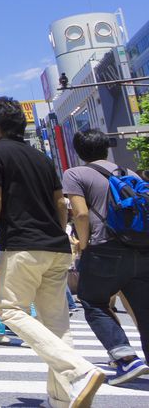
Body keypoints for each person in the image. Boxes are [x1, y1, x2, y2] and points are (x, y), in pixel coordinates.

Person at [0, 96, 106, 408]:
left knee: (10, 310)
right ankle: (62, 399)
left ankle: (79, 370)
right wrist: (59, 233)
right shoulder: (41, 158)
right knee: (56, 324)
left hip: (23, 245)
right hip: (56, 246)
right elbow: (60, 203)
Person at [62, 127, 149, 384]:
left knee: (93, 301)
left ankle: (125, 358)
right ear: (106, 148)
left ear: (79, 151)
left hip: (104, 248)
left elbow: (80, 214)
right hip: (140, 248)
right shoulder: (128, 172)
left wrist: (84, 244)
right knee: (145, 309)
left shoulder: (75, 174)